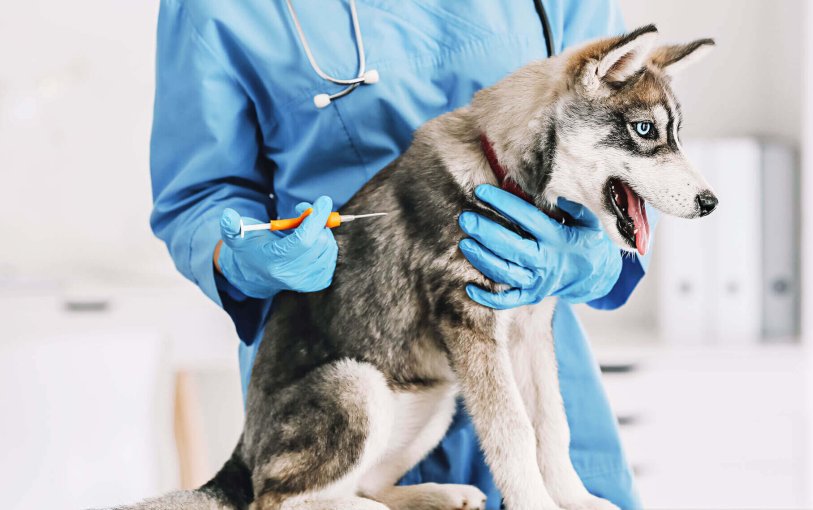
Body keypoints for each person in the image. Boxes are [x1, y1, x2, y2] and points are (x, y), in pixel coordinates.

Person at [150, 1, 649, 508]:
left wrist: (589, 256)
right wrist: (245, 255)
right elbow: (199, 194)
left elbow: (629, 144)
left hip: (530, 353)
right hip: (346, 347)